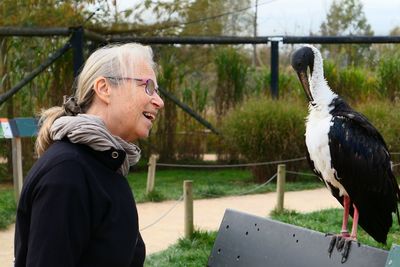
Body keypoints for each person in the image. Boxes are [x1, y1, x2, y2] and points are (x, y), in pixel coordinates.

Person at [14, 43, 164, 267]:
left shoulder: (105, 163)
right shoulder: (67, 172)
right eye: (148, 87)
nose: (159, 101)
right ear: (104, 88)